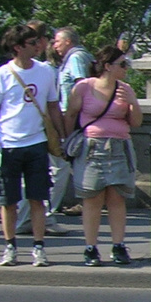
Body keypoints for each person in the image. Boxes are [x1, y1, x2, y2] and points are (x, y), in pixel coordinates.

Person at [0, 24, 62, 266]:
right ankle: (10, 246)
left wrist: (62, 135)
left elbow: (53, 106)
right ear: (17, 47)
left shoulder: (46, 71)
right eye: (32, 42)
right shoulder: (1, 75)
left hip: (36, 142)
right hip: (8, 144)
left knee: (38, 197)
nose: (38, 46)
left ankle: (38, 247)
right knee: (8, 200)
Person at [65, 45, 142, 266]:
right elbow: (70, 115)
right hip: (91, 147)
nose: (126, 69)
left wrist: (133, 101)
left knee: (117, 198)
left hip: (119, 146)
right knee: (92, 199)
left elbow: (136, 122)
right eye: (122, 65)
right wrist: (67, 142)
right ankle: (91, 248)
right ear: (108, 66)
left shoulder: (124, 89)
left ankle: (118, 246)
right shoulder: (84, 88)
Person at [49, 27, 94, 215]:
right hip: (74, 114)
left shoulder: (75, 58)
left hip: (74, 115)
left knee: (76, 157)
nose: (55, 46)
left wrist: (72, 117)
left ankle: (85, 201)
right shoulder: (77, 57)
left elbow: (81, 84)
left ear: (68, 41)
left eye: (57, 41)